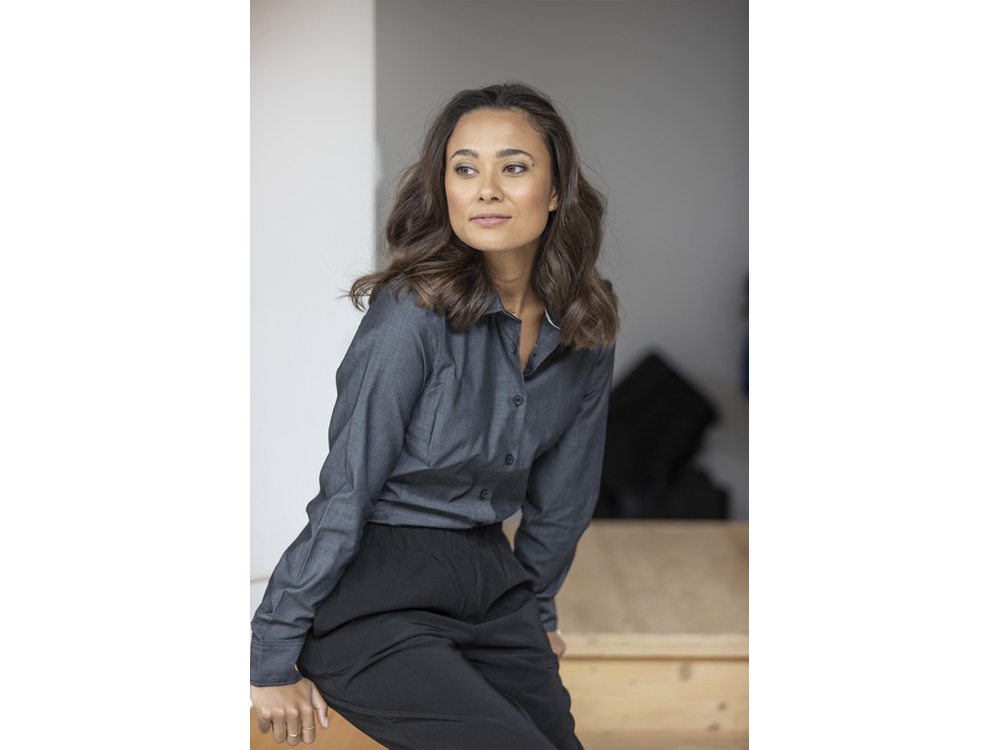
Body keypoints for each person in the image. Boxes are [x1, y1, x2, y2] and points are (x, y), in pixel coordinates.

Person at [250, 81, 619, 750]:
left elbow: (564, 499)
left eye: (514, 167)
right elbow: (347, 488)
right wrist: (271, 650)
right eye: (465, 168)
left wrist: (537, 612)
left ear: (556, 189)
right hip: (379, 595)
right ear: (444, 187)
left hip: (493, 585)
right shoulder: (411, 314)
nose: (486, 190)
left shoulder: (586, 324)